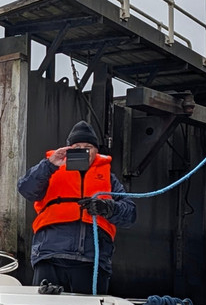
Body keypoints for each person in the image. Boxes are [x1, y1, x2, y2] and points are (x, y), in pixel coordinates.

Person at [17, 120, 136, 294]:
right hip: (50, 257)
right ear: (68, 149)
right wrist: (49, 164)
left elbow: (130, 214)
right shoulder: (50, 170)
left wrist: (107, 207)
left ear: (96, 150)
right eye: (77, 146)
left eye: (88, 146)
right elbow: (26, 189)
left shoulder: (109, 179)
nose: (83, 150)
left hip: (92, 261)